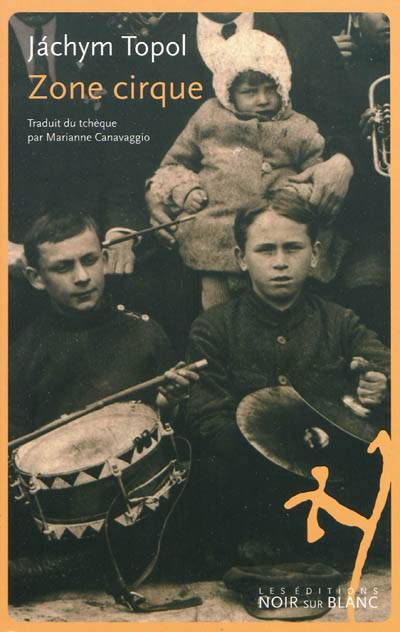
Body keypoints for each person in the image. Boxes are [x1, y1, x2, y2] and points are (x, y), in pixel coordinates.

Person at [185, 187, 389, 566]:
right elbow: (206, 417)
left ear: (315, 254)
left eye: (293, 248)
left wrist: (382, 386)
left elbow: (384, 365)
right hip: (251, 483)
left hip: (330, 477)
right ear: (241, 258)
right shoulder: (213, 328)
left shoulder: (341, 322)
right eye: (265, 250)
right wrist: (271, 454)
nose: (280, 262)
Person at [9, 212, 200, 600]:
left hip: (138, 498)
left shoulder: (144, 332)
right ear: (35, 277)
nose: (82, 277)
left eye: (90, 260)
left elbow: (172, 435)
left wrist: (169, 404)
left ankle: (69, 567)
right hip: (59, 504)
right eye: (63, 267)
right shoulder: (23, 350)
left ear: (106, 258)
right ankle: (87, 563)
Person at [146, 12, 356, 248]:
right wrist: (162, 191)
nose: (262, 100)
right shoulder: (161, 42)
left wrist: (341, 161)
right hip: (206, 229)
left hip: (287, 228)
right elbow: (149, 149)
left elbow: (347, 124)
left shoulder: (306, 32)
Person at [150, 31, 326, 308]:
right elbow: (173, 164)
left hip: (276, 237)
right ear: (228, 91)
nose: (263, 99)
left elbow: (316, 175)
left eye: (271, 89)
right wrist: (186, 191)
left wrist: (295, 194)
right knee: (217, 311)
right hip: (215, 238)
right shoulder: (208, 117)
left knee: (276, 307)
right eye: (250, 92)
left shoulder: (300, 128)